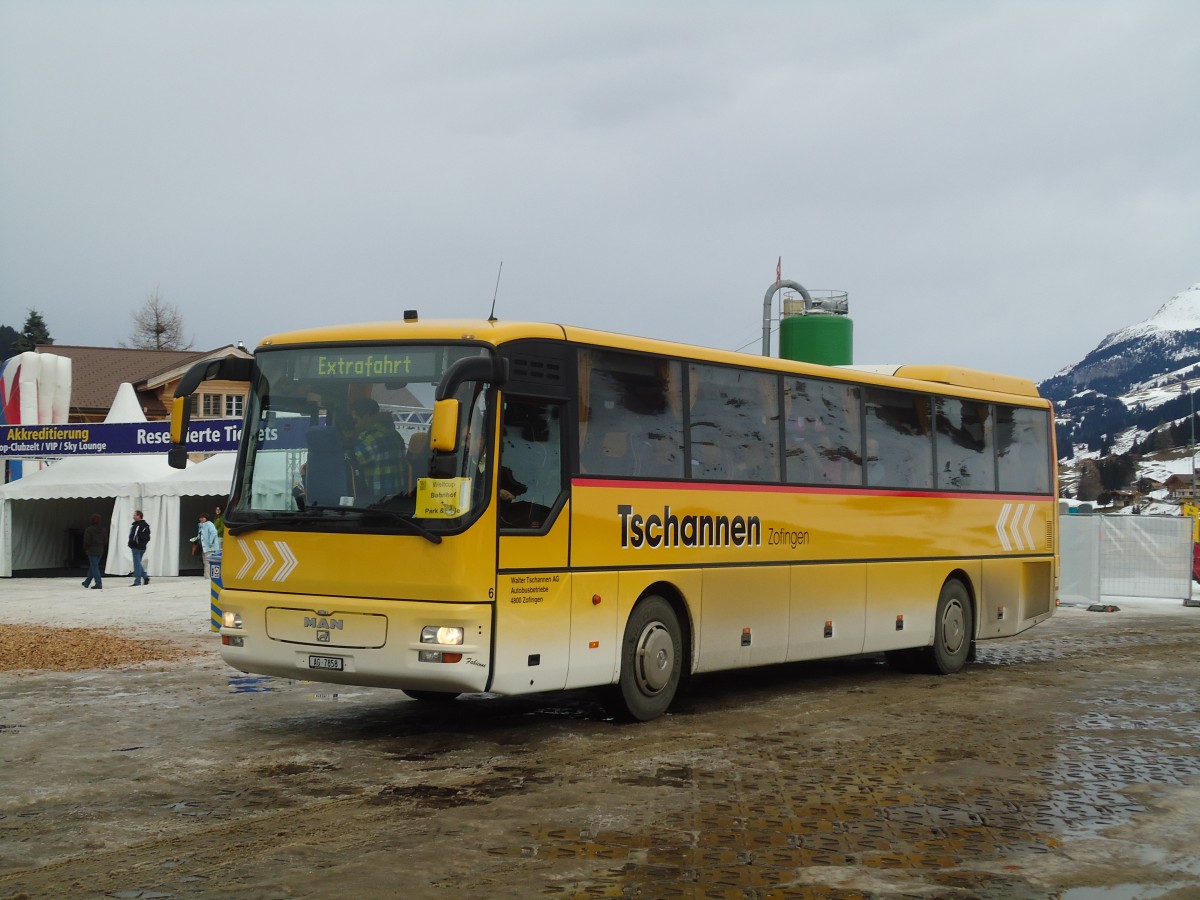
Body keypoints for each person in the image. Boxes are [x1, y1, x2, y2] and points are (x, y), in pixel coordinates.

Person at [347, 397, 405, 502]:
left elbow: (348, 464)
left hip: (375, 501)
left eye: (356, 420)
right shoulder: (396, 436)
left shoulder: (369, 440)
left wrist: (349, 437)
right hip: (397, 499)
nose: (355, 425)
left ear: (367, 415)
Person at [81, 513, 105, 590]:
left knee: (94, 567)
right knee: (93, 566)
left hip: (92, 550)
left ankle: (98, 583)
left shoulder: (89, 530)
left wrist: (86, 549)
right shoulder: (103, 530)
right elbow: (105, 540)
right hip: (100, 550)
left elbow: (87, 541)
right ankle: (87, 582)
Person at [128, 510, 151, 586]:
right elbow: (148, 537)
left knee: (137, 564)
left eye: (135, 515)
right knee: (138, 563)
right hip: (142, 547)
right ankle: (145, 577)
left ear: (139, 516)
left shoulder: (137, 526)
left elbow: (134, 536)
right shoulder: (145, 526)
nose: (133, 516)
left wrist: (132, 544)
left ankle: (137, 581)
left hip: (136, 547)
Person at [194, 513, 220, 578]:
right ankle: (206, 576)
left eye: (203, 518)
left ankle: (209, 577)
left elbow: (214, 532)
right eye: (200, 518)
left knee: (208, 562)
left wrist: (210, 542)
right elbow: (200, 535)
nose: (201, 519)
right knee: (205, 562)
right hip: (204, 547)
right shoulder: (201, 526)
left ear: (206, 518)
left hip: (209, 547)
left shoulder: (209, 524)